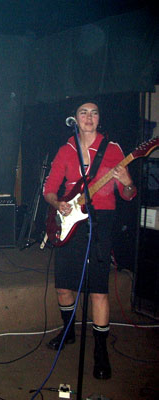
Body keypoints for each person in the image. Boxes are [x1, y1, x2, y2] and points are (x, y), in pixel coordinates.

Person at [43, 102, 136, 380]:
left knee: (98, 291)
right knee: (63, 287)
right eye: (83, 112)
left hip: (101, 221)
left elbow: (128, 194)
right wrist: (58, 203)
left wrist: (127, 180)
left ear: (99, 119)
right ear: (75, 118)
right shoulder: (66, 150)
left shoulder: (113, 150)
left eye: (94, 113)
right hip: (71, 222)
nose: (89, 117)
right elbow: (49, 190)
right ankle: (68, 330)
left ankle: (100, 351)